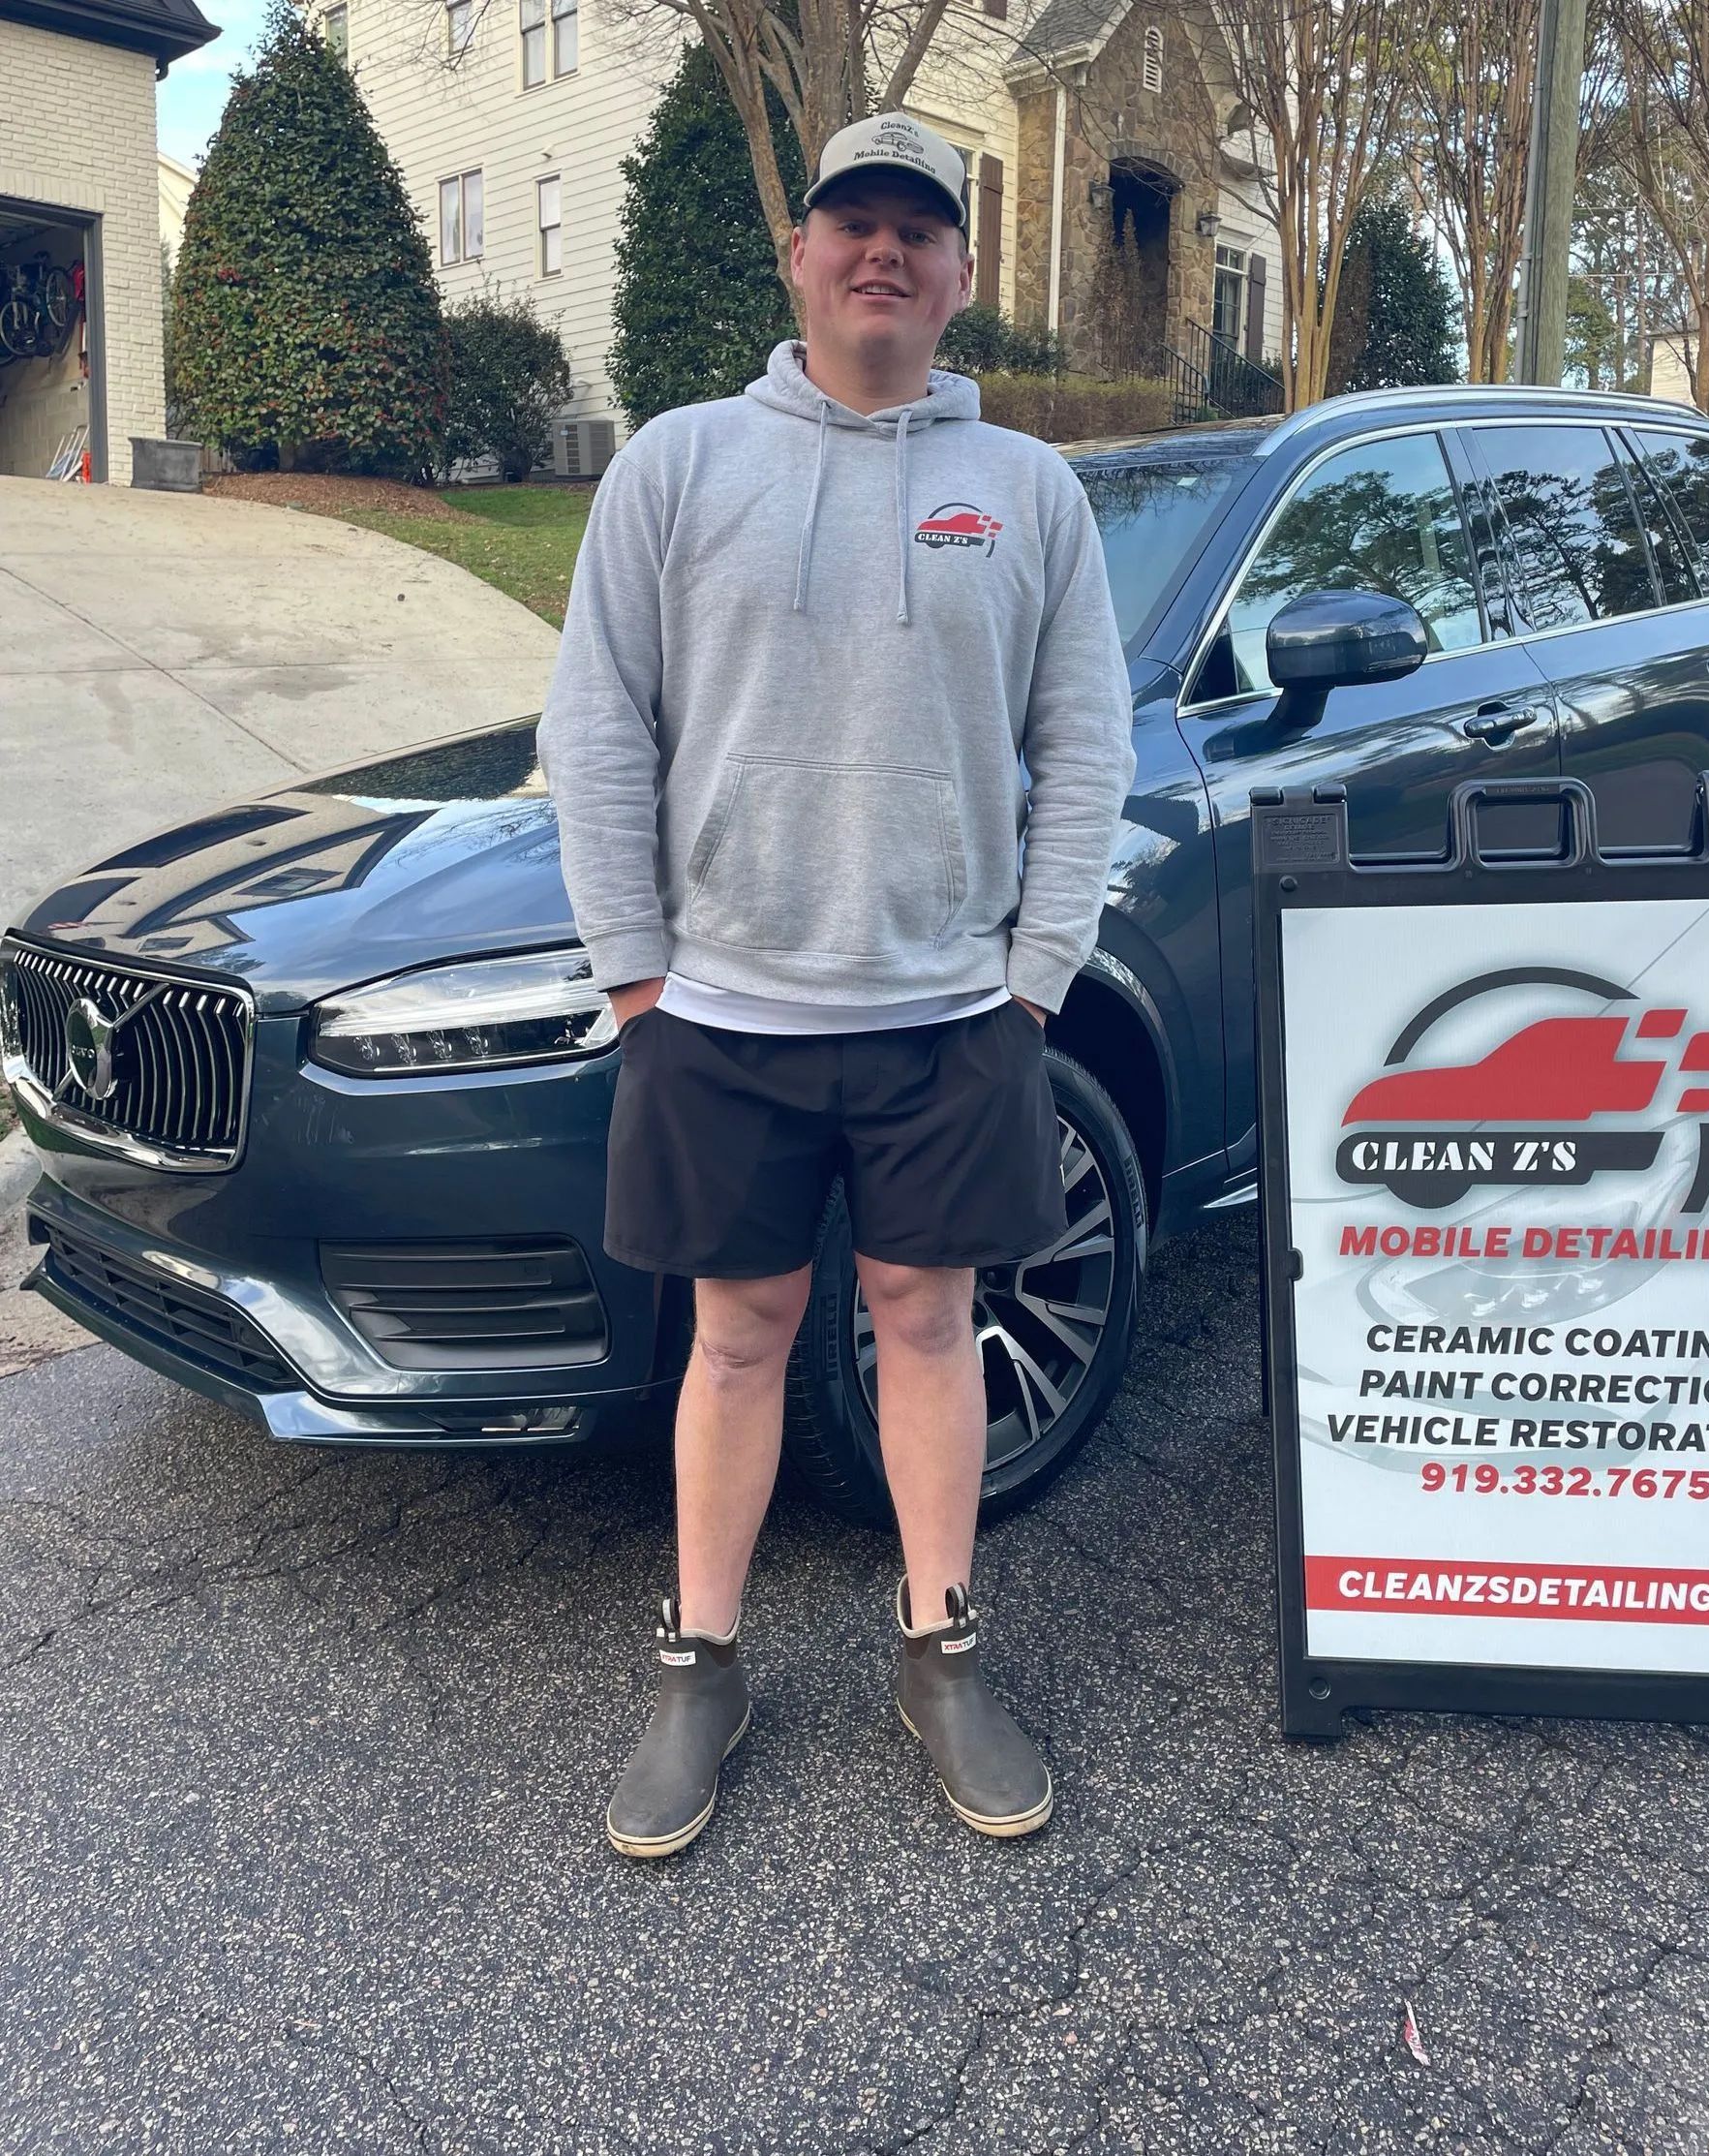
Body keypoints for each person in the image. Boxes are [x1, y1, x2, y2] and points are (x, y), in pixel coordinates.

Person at [535, 109, 1135, 1857]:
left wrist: (1033, 982)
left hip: (952, 1010)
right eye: (850, 221)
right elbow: (597, 723)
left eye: (918, 230)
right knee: (735, 1337)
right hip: (721, 1010)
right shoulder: (678, 464)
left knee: (929, 1322)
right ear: (799, 256)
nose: (884, 251)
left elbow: (1084, 745)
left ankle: (939, 1651)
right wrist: (637, 979)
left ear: (958, 278)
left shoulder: (1028, 492)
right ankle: (702, 1662)